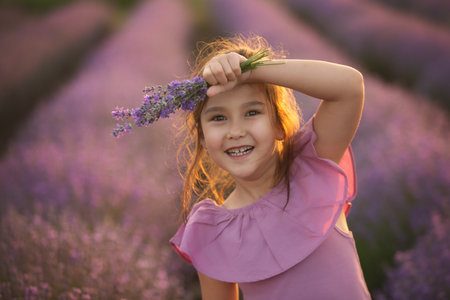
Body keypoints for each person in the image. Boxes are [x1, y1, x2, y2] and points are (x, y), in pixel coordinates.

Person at [170, 35, 371, 299]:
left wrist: (251, 70)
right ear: (203, 138)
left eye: (252, 112)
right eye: (219, 118)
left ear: (278, 124)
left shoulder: (310, 165)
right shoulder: (211, 230)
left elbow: (350, 87)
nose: (236, 131)